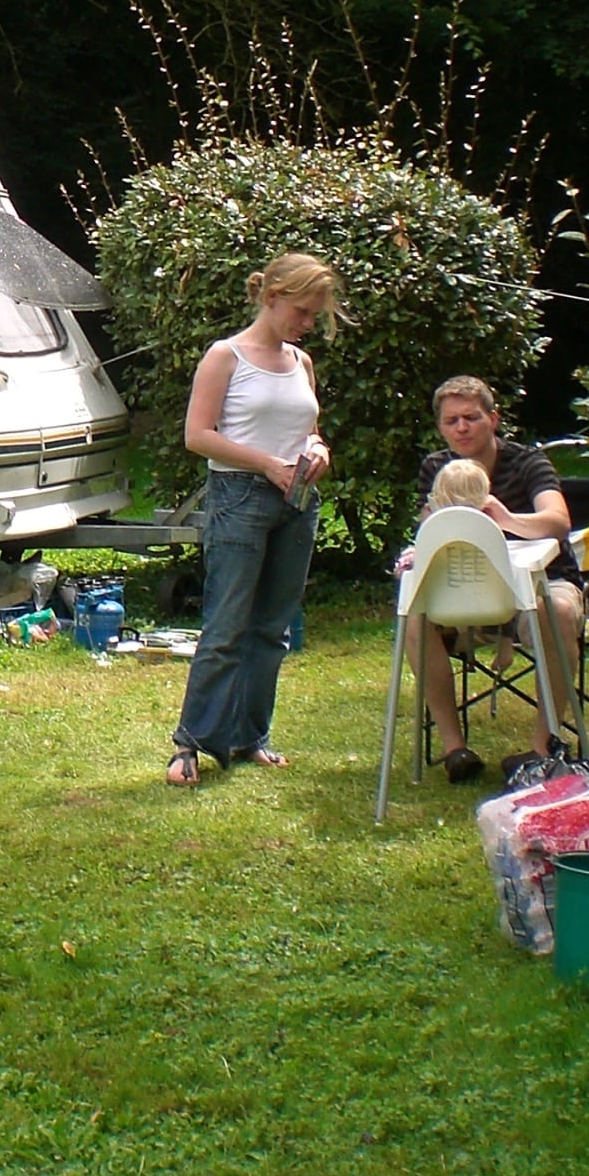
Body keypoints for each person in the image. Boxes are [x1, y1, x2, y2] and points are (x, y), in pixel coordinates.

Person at [167, 252, 339, 787]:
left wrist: (318, 449)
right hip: (240, 497)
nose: (308, 323)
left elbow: (306, 428)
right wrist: (265, 463)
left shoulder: (301, 363)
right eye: (303, 311)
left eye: (315, 315)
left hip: (297, 500)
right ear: (272, 297)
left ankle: (250, 737)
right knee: (226, 626)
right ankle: (190, 745)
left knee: (273, 629)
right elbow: (198, 436)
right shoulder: (226, 357)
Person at [399, 376, 586, 785]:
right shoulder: (436, 468)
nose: (461, 428)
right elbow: (429, 529)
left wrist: (506, 519)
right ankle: (455, 749)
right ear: (440, 428)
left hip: (540, 584)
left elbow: (558, 522)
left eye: (472, 417)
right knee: (417, 618)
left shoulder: (526, 462)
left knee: (557, 610)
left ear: (493, 419)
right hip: (465, 587)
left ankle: (542, 750)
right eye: (451, 421)